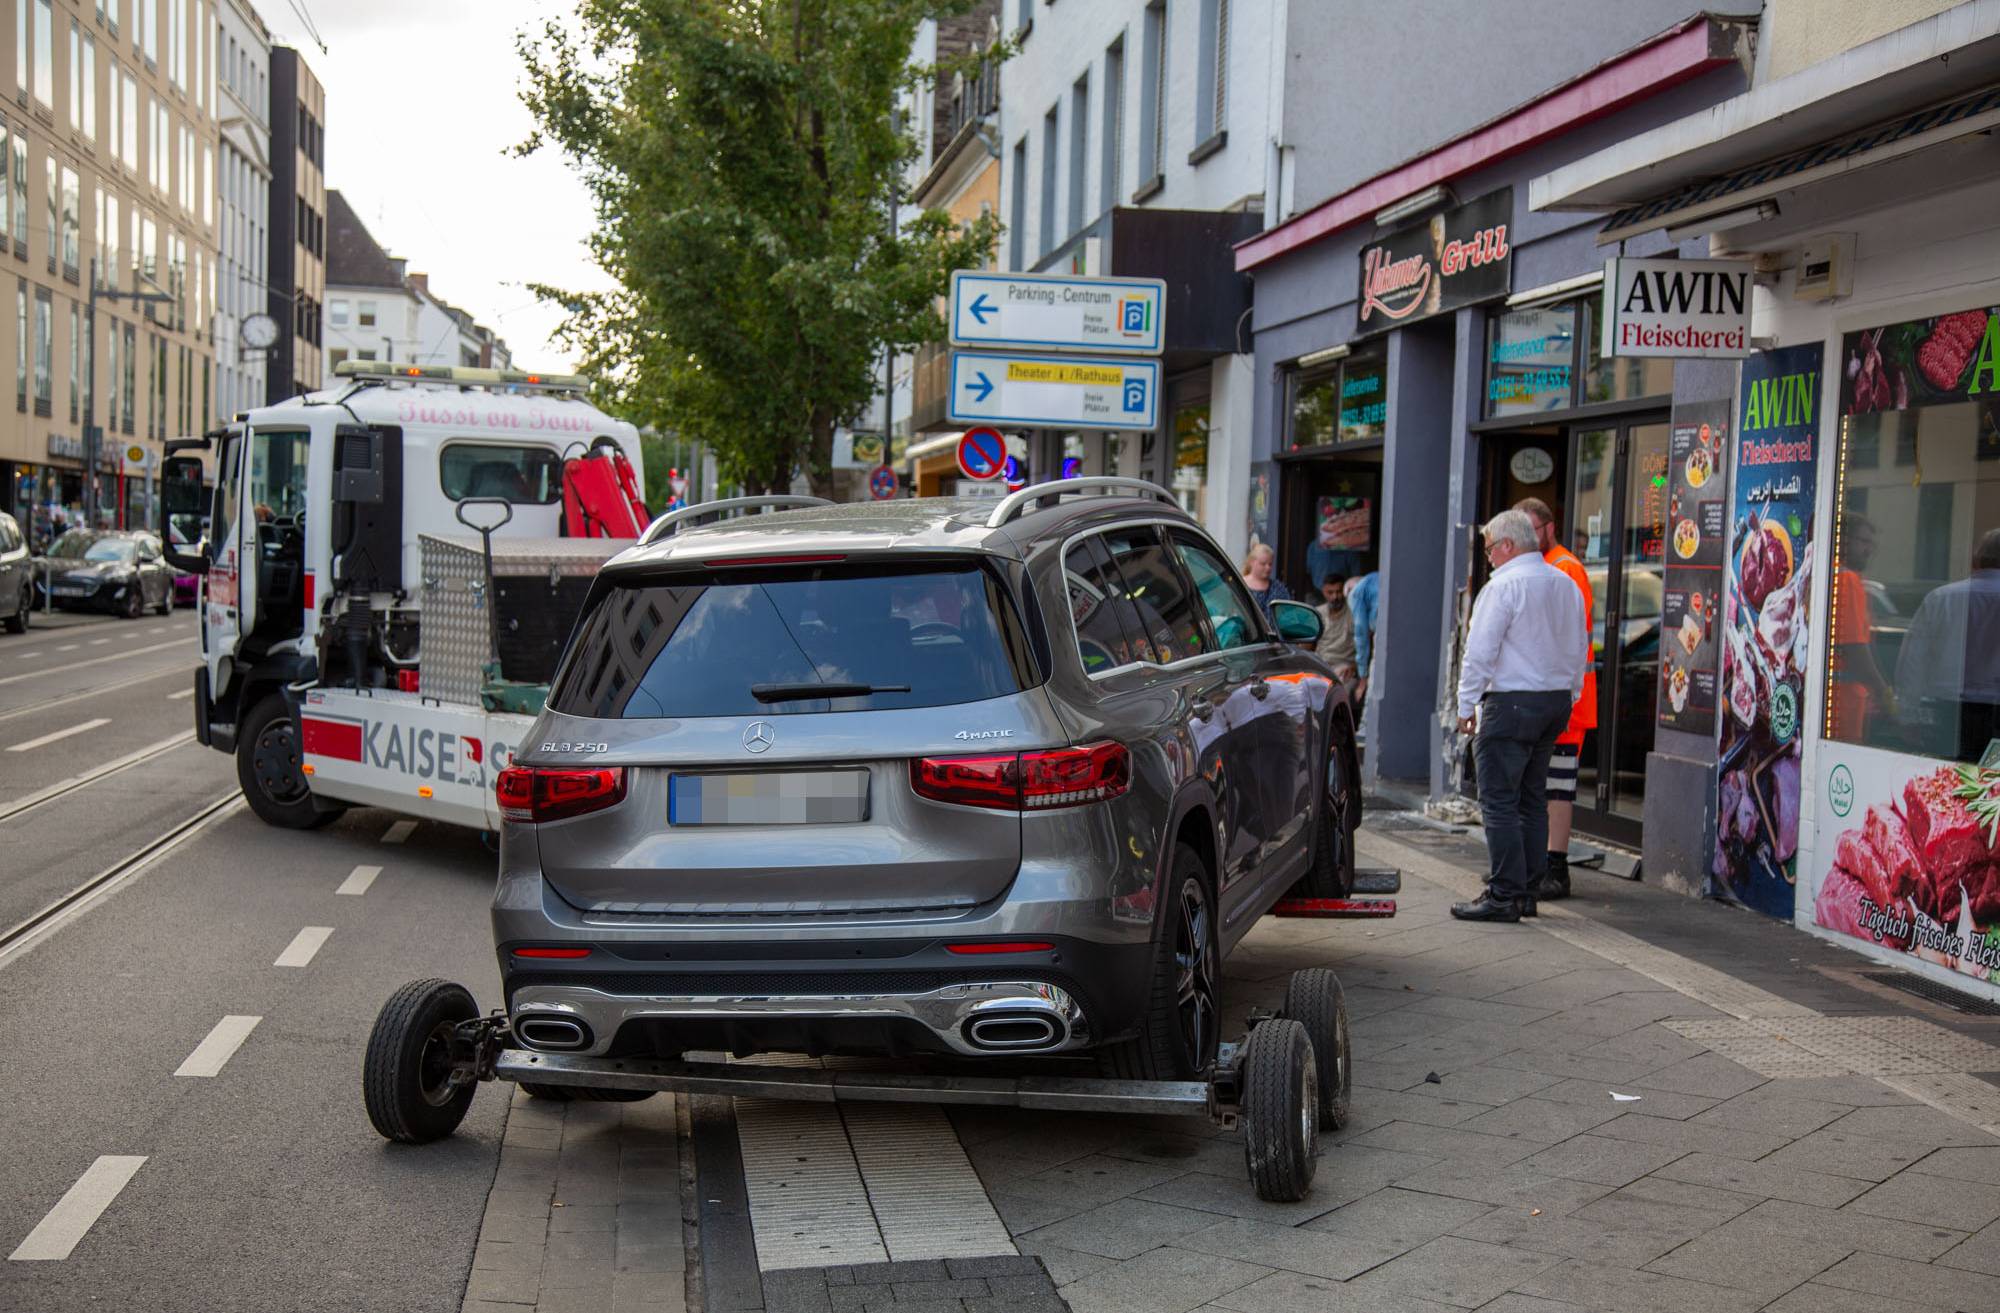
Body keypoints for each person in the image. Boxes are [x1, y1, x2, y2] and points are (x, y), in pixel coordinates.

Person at [1450, 509, 1587, 923]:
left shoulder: (1503, 586)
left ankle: (1504, 894)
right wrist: (1571, 693)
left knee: (1499, 801)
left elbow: (1479, 651)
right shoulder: (1565, 584)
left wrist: (1465, 704)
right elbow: (1580, 644)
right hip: (1554, 701)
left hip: (1510, 703)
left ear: (1507, 545)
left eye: (1491, 548)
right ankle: (1527, 891)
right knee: (1532, 799)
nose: (1489, 556)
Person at [1516, 497, 1595, 900]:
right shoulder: (1548, 566)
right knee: (1540, 787)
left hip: (1566, 702)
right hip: (1553, 697)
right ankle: (1534, 866)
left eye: (1533, 529)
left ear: (1550, 527)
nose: (1528, 538)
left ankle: (1556, 868)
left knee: (1557, 788)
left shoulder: (1566, 568)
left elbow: (1567, 636)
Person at [1895, 527, 2000, 761]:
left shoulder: (1941, 598)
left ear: (1977, 557)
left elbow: (1913, 660)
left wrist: (1908, 715)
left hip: (1947, 710)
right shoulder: (1941, 598)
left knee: (1945, 779)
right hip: (1991, 708)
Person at [1831, 515, 1893, 742]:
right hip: (1843, 704)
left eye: (1871, 544)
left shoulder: (1836, 575)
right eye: (1863, 542)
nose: (1869, 550)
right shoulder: (1847, 579)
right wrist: (1883, 693)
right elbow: (1856, 651)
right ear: (1844, 540)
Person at [1314, 574, 1357, 679]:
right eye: (1330, 592)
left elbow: (1365, 645)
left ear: (1344, 591)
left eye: (1338, 592)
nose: (1335, 597)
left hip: (1344, 667)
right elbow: (1307, 646)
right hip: (1320, 665)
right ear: (1323, 592)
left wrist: (1354, 667)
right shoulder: (1317, 613)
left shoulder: (1354, 613)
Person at [1346, 571, 1380, 700]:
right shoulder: (1374, 579)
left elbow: (1361, 633)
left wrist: (1363, 677)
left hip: (1384, 634)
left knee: (1373, 692)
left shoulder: (1355, 593)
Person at [1240, 543, 1291, 624]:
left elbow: (1288, 614)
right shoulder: (1239, 584)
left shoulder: (1278, 588)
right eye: (1263, 564)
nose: (1268, 568)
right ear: (1252, 562)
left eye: (1270, 564)